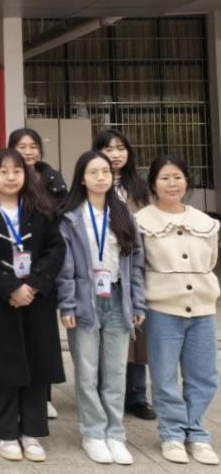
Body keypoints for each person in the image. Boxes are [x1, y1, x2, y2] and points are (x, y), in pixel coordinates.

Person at [0, 149, 65, 463]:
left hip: (36, 298)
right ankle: (6, 432)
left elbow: (55, 248)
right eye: (3, 171)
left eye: (17, 171)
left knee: (37, 362)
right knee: (4, 365)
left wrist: (32, 284)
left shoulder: (41, 207)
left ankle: (31, 432)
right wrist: (12, 287)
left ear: (26, 174)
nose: (10, 177)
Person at [56, 151, 145, 465]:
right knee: (87, 370)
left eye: (105, 172)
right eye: (93, 172)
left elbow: (136, 263)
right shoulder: (70, 217)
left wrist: (138, 301)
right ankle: (93, 433)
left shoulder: (123, 214)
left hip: (118, 297)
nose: (100, 177)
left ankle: (115, 434)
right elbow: (64, 267)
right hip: (85, 299)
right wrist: (67, 304)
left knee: (116, 371)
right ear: (81, 178)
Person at [135, 156, 220, 465]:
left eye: (178, 177)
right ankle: (172, 434)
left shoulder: (205, 222)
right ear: (153, 184)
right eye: (164, 178)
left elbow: (210, 262)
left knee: (204, 375)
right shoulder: (141, 221)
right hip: (162, 309)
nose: (172, 184)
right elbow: (137, 267)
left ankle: (196, 433)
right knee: (164, 376)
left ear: (187, 181)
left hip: (202, 309)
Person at [92, 129, 156, 422]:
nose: (115, 154)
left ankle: (137, 394)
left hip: (133, 269)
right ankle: (103, 391)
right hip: (102, 271)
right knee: (104, 336)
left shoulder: (139, 189)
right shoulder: (91, 184)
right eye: (108, 148)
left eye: (120, 148)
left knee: (135, 335)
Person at [8, 127, 64, 418]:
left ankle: (44, 395)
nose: (28, 151)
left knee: (43, 337)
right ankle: (17, 391)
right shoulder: (7, 179)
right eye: (22, 146)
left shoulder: (52, 180)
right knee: (16, 335)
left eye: (33, 146)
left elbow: (61, 222)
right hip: (13, 271)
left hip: (44, 269)